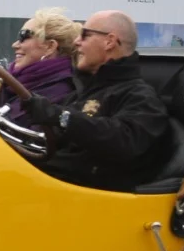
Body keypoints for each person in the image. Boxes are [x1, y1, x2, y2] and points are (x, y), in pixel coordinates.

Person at [22, 10, 171, 191]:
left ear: (109, 41)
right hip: (44, 183)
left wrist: (62, 117)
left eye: (85, 35)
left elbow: (124, 140)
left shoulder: (141, 98)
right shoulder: (82, 93)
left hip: (82, 196)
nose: (76, 42)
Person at [0, 7, 80, 127]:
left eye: (24, 37)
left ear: (50, 46)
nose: (15, 45)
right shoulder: (8, 80)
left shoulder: (59, 91)